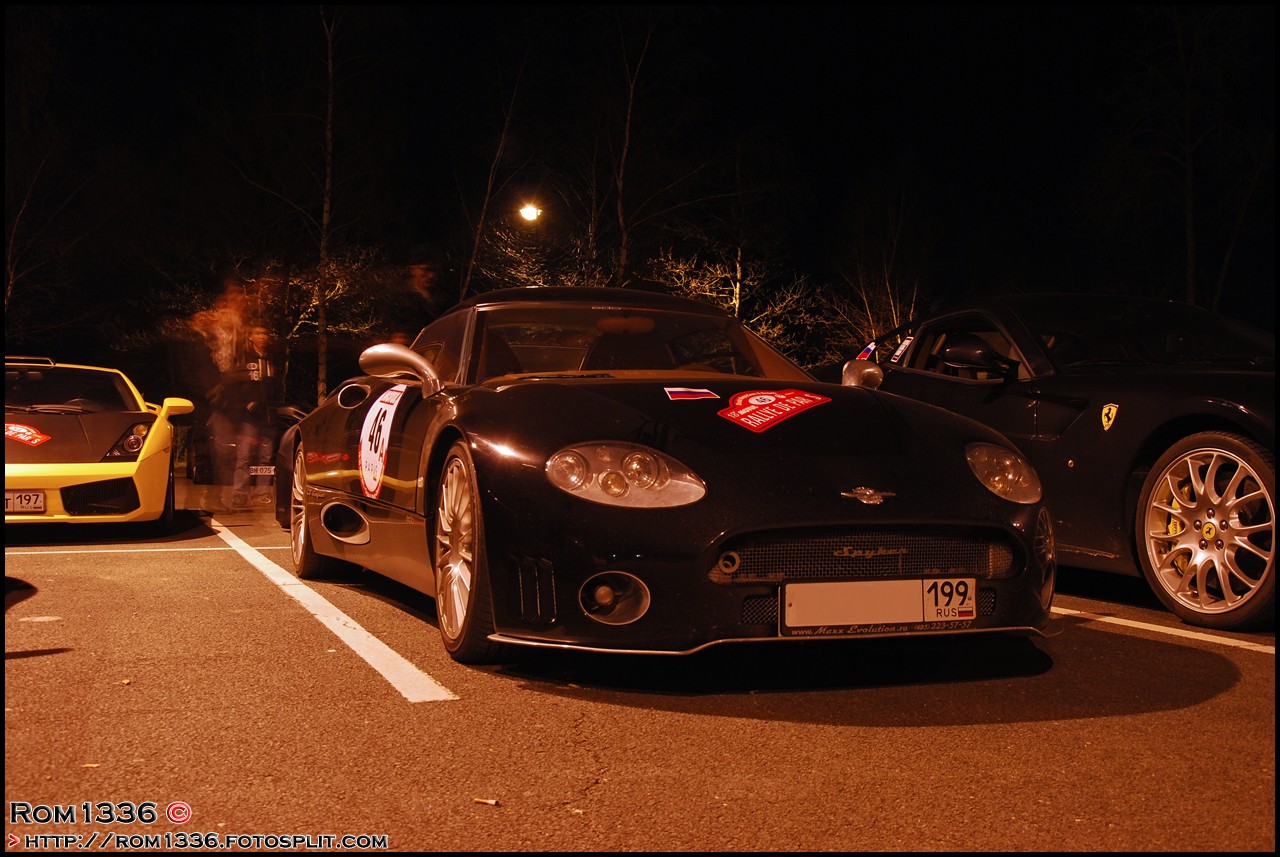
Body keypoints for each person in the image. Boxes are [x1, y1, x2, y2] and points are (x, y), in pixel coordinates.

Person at [216, 323, 285, 508]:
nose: (263, 337)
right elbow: (233, 388)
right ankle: (240, 493)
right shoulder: (244, 359)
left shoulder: (274, 359)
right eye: (258, 333)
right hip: (248, 418)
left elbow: (279, 387)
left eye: (265, 333)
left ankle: (262, 493)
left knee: (266, 457)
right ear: (250, 337)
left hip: (269, 416)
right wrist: (243, 405)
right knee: (244, 456)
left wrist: (277, 406)